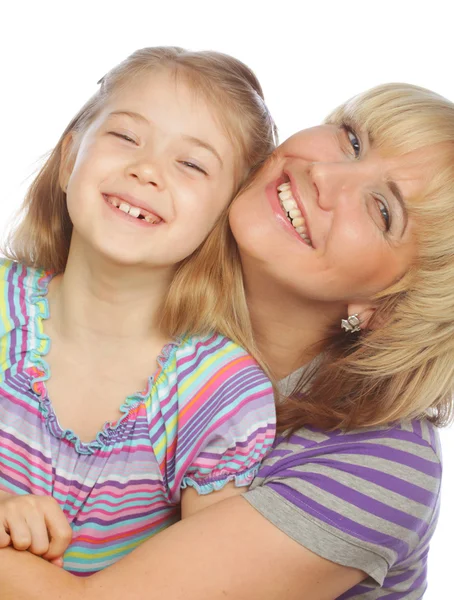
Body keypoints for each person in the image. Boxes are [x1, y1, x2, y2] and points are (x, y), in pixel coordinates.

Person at [1, 81, 452, 599]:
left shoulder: (384, 466)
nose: (324, 176)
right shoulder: (102, 282)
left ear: (388, 306)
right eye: (352, 139)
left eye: (383, 210)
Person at [0, 46, 278, 575]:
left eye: (193, 164)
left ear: (222, 220)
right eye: (125, 136)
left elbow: (202, 581)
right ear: (68, 161)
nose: (147, 169)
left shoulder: (219, 394)